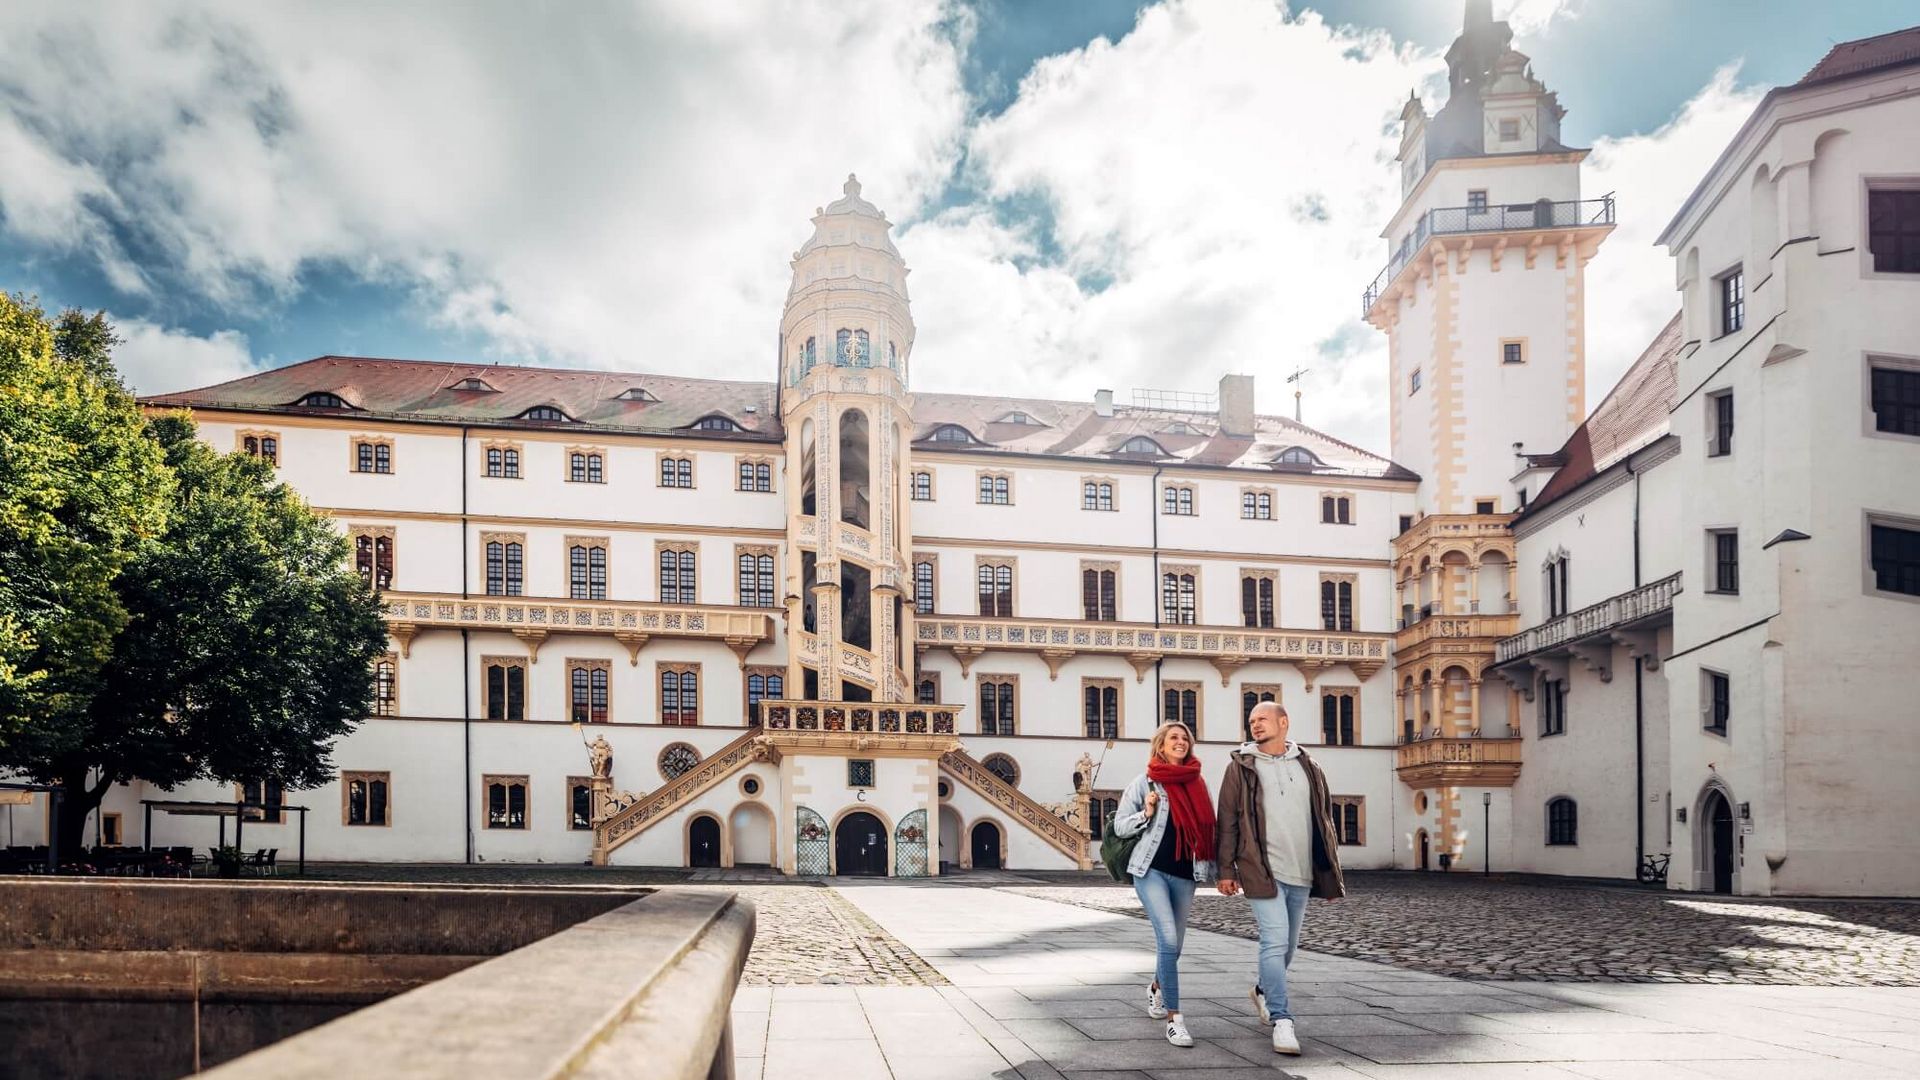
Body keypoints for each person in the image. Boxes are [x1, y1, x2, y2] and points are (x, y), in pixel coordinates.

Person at [1214, 702, 1346, 1055]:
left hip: (1301, 871)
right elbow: (1227, 820)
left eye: (1262, 719)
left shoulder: (1310, 766)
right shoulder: (1241, 767)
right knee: (1273, 943)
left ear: (1284, 722)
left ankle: (1262, 991)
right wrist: (1225, 870)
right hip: (1260, 869)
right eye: (1251, 720)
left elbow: (1324, 823)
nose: (1255, 724)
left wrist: (1330, 876)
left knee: (1287, 948)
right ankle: (1282, 1019)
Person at [1111, 721, 1216, 1048]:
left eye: (1185, 738)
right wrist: (1146, 812)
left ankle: (1157, 988)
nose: (1181, 742)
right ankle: (1175, 1018)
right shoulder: (1144, 782)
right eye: (1174, 737)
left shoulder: (1198, 783)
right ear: (1160, 744)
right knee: (1168, 940)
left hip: (1187, 873)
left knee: (1176, 948)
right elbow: (1120, 826)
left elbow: (1209, 828)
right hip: (1151, 871)